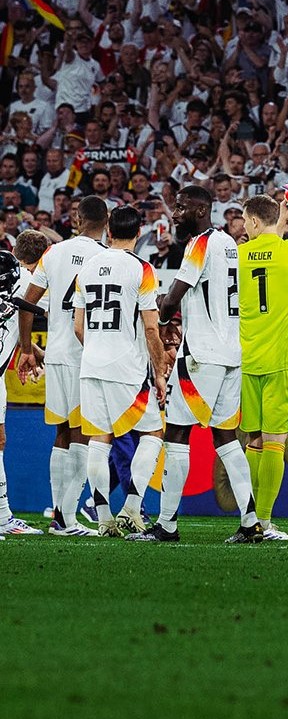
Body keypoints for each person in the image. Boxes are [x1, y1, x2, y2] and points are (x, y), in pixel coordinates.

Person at [129, 186, 261, 544]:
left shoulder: (200, 244)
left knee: (175, 433)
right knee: (226, 438)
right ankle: (250, 522)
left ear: (202, 209)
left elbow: (172, 302)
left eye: (181, 207)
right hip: (231, 353)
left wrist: (150, 303)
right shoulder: (229, 244)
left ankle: (167, 525)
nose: (174, 213)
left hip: (202, 354)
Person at [17, 197, 112, 537]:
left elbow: (26, 302)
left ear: (76, 218)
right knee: (84, 435)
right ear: (108, 220)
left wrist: (27, 349)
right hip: (89, 356)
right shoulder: (107, 257)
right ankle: (66, 518)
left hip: (56, 354)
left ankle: (61, 516)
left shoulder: (53, 253)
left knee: (62, 433)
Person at [72, 205, 168, 537]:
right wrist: (159, 372)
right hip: (127, 368)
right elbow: (152, 330)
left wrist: (97, 350)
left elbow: (78, 327)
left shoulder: (86, 267)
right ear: (138, 233)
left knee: (99, 441)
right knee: (153, 433)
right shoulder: (142, 269)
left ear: (108, 231)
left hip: (92, 365)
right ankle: (131, 508)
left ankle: (102, 518)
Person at [238, 194, 288, 541]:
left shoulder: (236, 256)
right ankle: (263, 522)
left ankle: (249, 517)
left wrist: (279, 221)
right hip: (284, 357)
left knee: (252, 440)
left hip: (247, 357)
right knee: (275, 442)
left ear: (252, 222)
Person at [0, 237, 50, 536]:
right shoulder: (22, 281)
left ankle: (4, 516)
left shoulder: (20, 280)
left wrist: (29, 347)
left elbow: (20, 314)